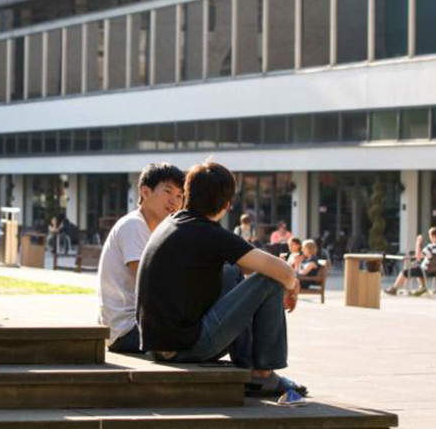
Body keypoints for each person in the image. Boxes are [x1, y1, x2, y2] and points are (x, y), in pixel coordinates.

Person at [136, 161, 307, 397]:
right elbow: (284, 272)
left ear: (187, 195)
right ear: (226, 205)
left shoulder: (173, 224)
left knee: (232, 271)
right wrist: (293, 285)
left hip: (157, 345)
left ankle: (247, 361)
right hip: (185, 346)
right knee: (270, 280)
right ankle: (263, 374)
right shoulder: (209, 233)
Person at [97, 163, 185, 354]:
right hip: (128, 330)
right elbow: (149, 282)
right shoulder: (133, 225)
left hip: (138, 326)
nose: (174, 201)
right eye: (168, 192)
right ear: (145, 192)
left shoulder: (158, 231)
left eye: (179, 195)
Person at [384, 227, 436, 297]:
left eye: (430, 235)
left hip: (426, 271)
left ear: (433, 236)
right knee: (417, 265)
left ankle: (394, 289)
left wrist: (418, 243)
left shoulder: (430, 247)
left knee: (404, 272)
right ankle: (422, 287)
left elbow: (418, 256)